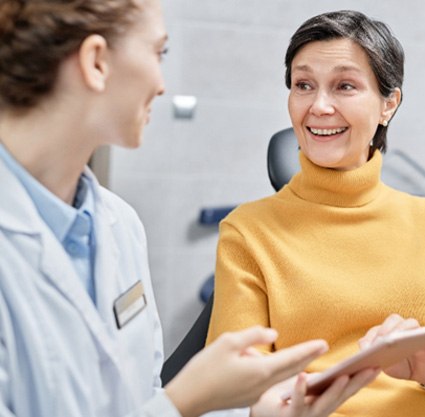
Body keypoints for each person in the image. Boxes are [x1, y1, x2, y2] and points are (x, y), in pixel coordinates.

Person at [0, 1, 379, 417]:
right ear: (96, 62)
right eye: (158, 53)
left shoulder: (118, 225)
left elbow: (140, 401)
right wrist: (185, 402)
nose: (162, 84)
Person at [206, 9, 425, 417]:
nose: (318, 106)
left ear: (389, 104)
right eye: (303, 85)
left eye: (344, 86)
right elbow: (236, 388)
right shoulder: (249, 232)